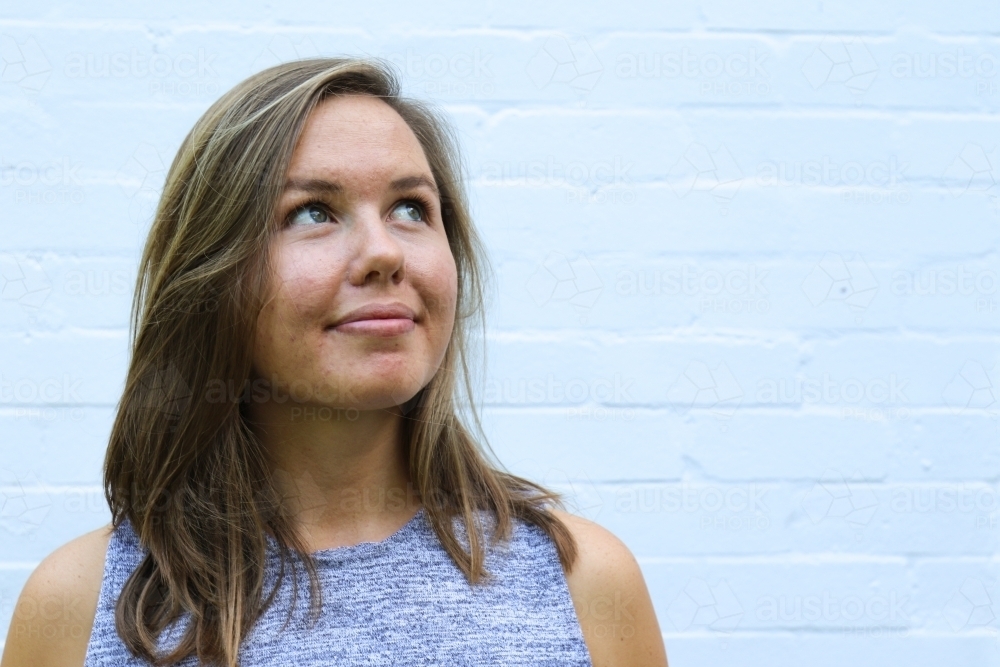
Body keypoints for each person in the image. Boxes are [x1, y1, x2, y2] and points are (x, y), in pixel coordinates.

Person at [1, 58, 669, 667]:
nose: (385, 252)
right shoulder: (74, 607)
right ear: (213, 277)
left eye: (411, 208)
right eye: (313, 211)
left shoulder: (584, 582)